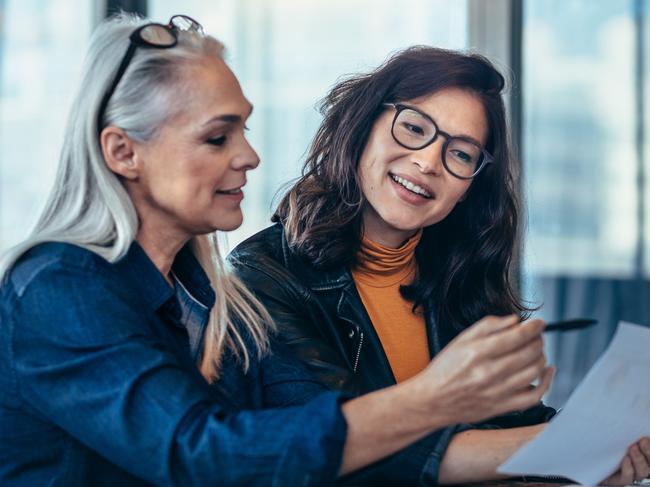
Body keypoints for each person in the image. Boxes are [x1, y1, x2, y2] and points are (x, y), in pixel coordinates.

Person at [0, 14, 561, 486]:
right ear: (123, 152)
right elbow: (203, 453)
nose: (249, 156)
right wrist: (434, 400)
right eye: (218, 137)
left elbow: (305, 440)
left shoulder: (203, 294)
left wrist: (577, 450)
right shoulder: (59, 285)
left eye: (244, 130)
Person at [229, 46, 650, 485]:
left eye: (462, 154)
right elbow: (340, 451)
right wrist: (570, 448)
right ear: (362, 127)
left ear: (469, 187)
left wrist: (592, 469)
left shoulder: (462, 277)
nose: (428, 163)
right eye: (413, 128)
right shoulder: (262, 276)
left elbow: (510, 431)